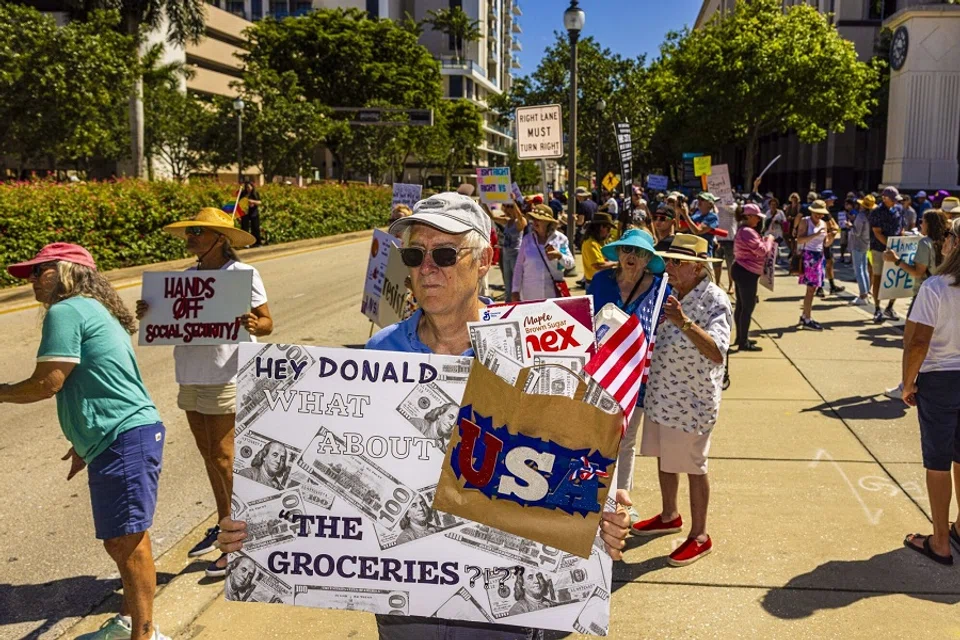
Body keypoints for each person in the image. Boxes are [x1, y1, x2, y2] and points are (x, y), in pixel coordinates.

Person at [218, 191, 632, 640]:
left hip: (501, 615)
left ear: (485, 260)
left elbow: (569, 468)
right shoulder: (380, 353)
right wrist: (254, 529)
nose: (426, 268)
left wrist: (603, 515)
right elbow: (336, 478)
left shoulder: (539, 351)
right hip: (405, 610)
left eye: (446, 253)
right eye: (415, 254)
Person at [1, 244, 169, 640]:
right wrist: (83, 442)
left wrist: (2, 391)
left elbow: (48, 383)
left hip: (124, 435)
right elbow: (102, 381)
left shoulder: (66, 310)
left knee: (126, 542)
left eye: (37, 271)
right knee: (127, 539)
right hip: (122, 435)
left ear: (63, 271)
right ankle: (131, 623)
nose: (30, 281)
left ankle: (143, 635)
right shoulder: (93, 308)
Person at [136, 207, 272, 579]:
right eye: (190, 232)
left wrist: (251, 322)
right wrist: (151, 313)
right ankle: (225, 520)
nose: (191, 238)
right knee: (209, 456)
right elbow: (165, 320)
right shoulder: (185, 279)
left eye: (198, 231)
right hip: (190, 373)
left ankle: (240, 541)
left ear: (220, 239)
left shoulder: (242, 275)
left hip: (225, 373)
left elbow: (267, 322)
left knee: (225, 457)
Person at [632, 234, 730, 567]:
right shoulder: (671, 292)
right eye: (668, 260)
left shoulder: (714, 300)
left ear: (699, 266)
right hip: (663, 396)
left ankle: (700, 535)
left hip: (691, 402)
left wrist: (683, 321)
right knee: (664, 458)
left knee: (693, 466)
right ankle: (670, 514)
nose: (669, 267)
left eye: (677, 262)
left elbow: (717, 352)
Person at [587, 229, 670, 525]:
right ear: (618, 253)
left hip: (637, 374)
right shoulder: (600, 281)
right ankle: (594, 494)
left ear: (649, 259)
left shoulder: (660, 288)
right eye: (627, 251)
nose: (632, 258)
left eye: (640, 253)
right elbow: (586, 318)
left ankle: (622, 499)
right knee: (595, 435)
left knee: (626, 439)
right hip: (600, 369)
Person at [900, 216, 960, 566]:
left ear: (954, 243)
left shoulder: (936, 287)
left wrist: (908, 383)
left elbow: (918, 341)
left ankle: (939, 540)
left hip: (939, 379)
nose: (944, 241)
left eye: (949, 236)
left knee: (937, 461)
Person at [732, 204, 776, 351]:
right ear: (748, 217)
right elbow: (762, 251)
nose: (758, 220)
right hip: (746, 272)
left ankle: (741, 337)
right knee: (747, 307)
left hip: (742, 270)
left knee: (741, 306)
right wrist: (769, 239)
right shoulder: (747, 232)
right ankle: (743, 342)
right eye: (756, 217)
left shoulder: (744, 230)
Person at [511, 204, 575, 302]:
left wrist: (559, 256)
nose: (535, 222)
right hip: (530, 294)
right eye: (533, 219)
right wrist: (515, 290)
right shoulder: (527, 239)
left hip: (553, 294)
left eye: (539, 219)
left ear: (548, 222)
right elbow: (519, 267)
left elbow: (570, 264)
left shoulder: (560, 239)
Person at [870, 187, 904, 323]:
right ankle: (877, 308)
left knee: (895, 278)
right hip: (879, 249)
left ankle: (889, 307)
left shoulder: (898, 210)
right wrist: (889, 245)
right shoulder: (876, 212)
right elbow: (877, 232)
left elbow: (901, 227)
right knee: (877, 277)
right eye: (893, 200)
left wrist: (901, 241)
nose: (895, 202)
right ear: (885, 199)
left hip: (896, 248)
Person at [796, 200, 830, 331]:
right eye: (817, 213)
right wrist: (815, 234)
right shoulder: (805, 221)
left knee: (812, 289)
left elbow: (825, 243)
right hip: (808, 256)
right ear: (812, 211)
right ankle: (807, 318)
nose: (819, 216)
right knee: (810, 289)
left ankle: (805, 315)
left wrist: (831, 237)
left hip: (819, 256)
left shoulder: (824, 223)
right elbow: (799, 239)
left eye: (821, 214)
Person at [497, 200, 527, 299]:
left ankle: (519, 304)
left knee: (517, 283)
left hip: (516, 255)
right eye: (507, 207)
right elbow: (492, 217)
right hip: (506, 255)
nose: (507, 209)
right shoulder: (507, 221)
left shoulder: (521, 221)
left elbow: (519, 217)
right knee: (507, 284)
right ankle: (508, 304)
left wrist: (512, 202)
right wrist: (484, 203)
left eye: (509, 207)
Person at [849, 195, 875, 305]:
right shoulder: (872, 216)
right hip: (866, 243)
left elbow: (857, 232)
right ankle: (866, 292)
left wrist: (850, 225)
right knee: (864, 269)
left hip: (858, 244)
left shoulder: (860, 216)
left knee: (859, 270)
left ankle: (863, 295)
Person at [580, 212, 617, 286]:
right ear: (601, 227)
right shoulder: (591, 243)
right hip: (596, 284)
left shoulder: (600, 242)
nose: (609, 232)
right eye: (608, 228)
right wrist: (617, 263)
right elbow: (599, 266)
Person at [678, 192, 720, 257]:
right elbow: (679, 228)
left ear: (710, 204)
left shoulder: (712, 217)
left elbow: (698, 231)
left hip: (704, 254)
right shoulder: (695, 216)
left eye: (702, 199)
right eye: (698, 199)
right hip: (691, 252)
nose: (699, 201)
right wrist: (677, 211)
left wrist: (685, 215)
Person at [713, 200, 738, 294]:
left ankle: (731, 285)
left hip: (730, 239)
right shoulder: (716, 206)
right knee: (716, 264)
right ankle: (717, 284)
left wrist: (723, 202)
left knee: (730, 264)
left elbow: (732, 210)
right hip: (718, 239)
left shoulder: (734, 205)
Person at [239, 180, 263, 247]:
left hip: (253, 213)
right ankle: (245, 243)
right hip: (245, 212)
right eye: (247, 188)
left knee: (255, 228)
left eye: (249, 187)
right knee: (244, 228)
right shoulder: (243, 194)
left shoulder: (255, 193)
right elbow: (239, 202)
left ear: (252, 187)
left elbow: (260, 202)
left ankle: (257, 243)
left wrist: (252, 201)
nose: (248, 189)